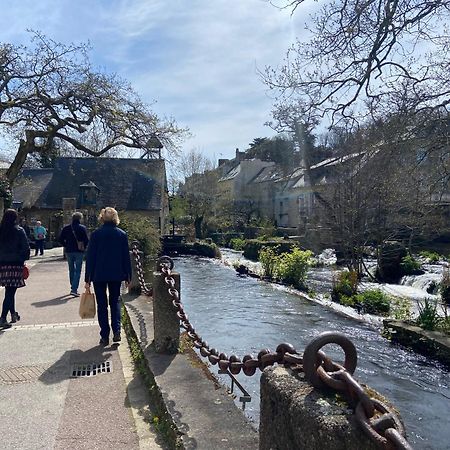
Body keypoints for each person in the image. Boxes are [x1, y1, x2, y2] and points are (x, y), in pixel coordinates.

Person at [85, 207, 132, 345]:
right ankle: (117, 331)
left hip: (98, 274)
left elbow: (91, 257)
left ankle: (104, 335)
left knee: (102, 304)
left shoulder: (96, 235)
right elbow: (125, 257)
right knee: (115, 302)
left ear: (102, 218)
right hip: (116, 274)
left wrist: (87, 278)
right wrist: (128, 276)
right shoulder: (121, 234)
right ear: (115, 218)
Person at [0, 209, 30, 328]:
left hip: (2, 264)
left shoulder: (1, 230)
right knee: (10, 291)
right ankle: (2, 318)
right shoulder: (19, 230)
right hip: (15, 263)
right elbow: (25, 248)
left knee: (9, 290)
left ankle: (13, 314)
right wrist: (23, 259)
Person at [59, 212, 89, 297]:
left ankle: (73, 285)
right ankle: (74, 289)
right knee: (78, 270)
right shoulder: (82, 228)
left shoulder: (66, 228)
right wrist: (84, 247)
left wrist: (66, 245)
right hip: (79, 251)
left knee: (71, 269)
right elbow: (86, 240)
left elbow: (60, 239)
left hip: (69, 251)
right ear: (80, 219)